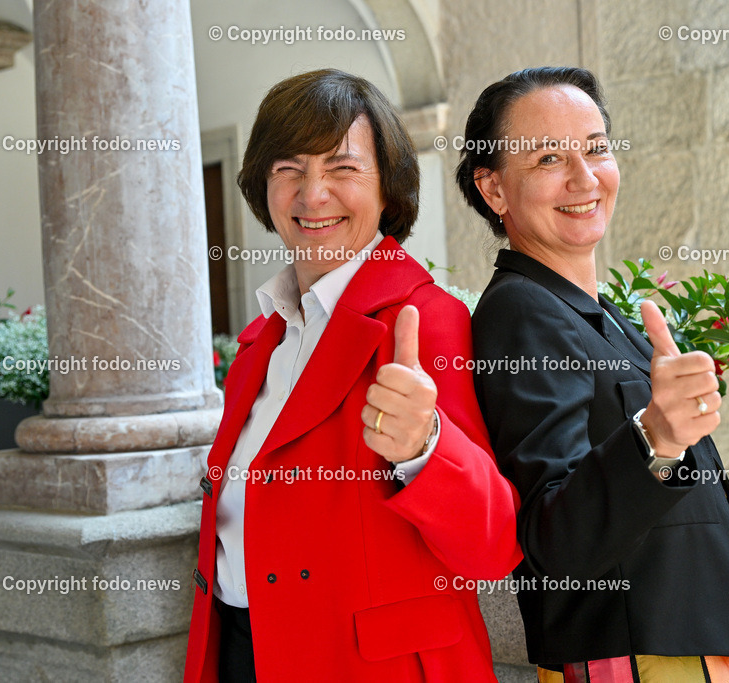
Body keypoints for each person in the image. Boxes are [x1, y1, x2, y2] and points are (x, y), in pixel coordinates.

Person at [458, 66, 729, 683]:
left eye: (596, 150)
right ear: (493, 188)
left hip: (712, 641)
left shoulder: (592, 310)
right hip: (651, 658)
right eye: (548, 159)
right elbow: (548, 538)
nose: (584, 178)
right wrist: (655, 437)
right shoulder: (519, 313)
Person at [184, 69, 521, 683]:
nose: (313, 195)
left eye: (342, 168)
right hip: (241, 649)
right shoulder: (262, 339)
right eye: (289, 168)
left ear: (388, 190)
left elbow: (492, 548)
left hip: (370, 666)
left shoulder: (425, 322)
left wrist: (427, 448)